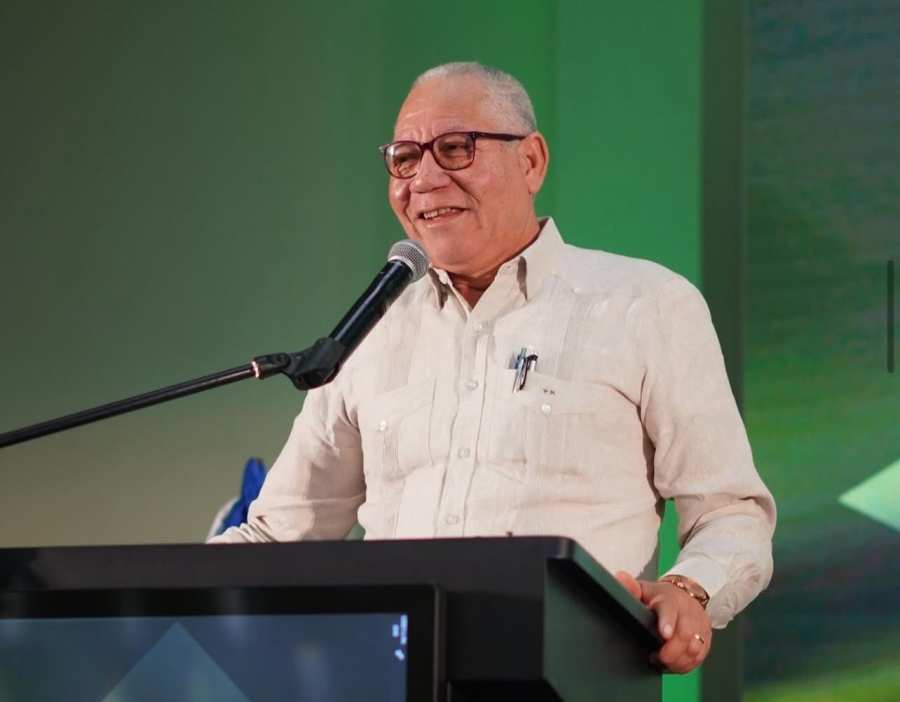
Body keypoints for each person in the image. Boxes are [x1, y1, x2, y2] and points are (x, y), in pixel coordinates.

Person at [210, 62, 776, 675]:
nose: (424, 179)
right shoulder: (371, 332)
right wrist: (156, 601)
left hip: (569, 676)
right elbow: (277, 538)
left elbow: (730, 511)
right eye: (404, 158)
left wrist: (687, 591)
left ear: (530, 161)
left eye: (455, 148)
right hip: (390, 676)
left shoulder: (645, 305)